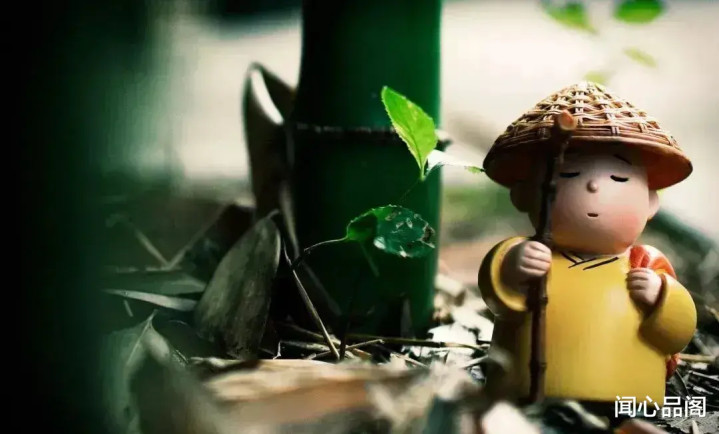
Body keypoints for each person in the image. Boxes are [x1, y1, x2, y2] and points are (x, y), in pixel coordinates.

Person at [478, 82, 697, 406]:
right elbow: (497, 296)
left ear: (651, 202)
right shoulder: (524, 254)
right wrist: (514, 270)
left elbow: (678, 333)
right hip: (525, 388)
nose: (594, 185)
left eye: (619, 178)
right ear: (523, 195)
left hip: (629, 394)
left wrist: (661, 298)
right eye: (570, 174)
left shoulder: (647, 265)